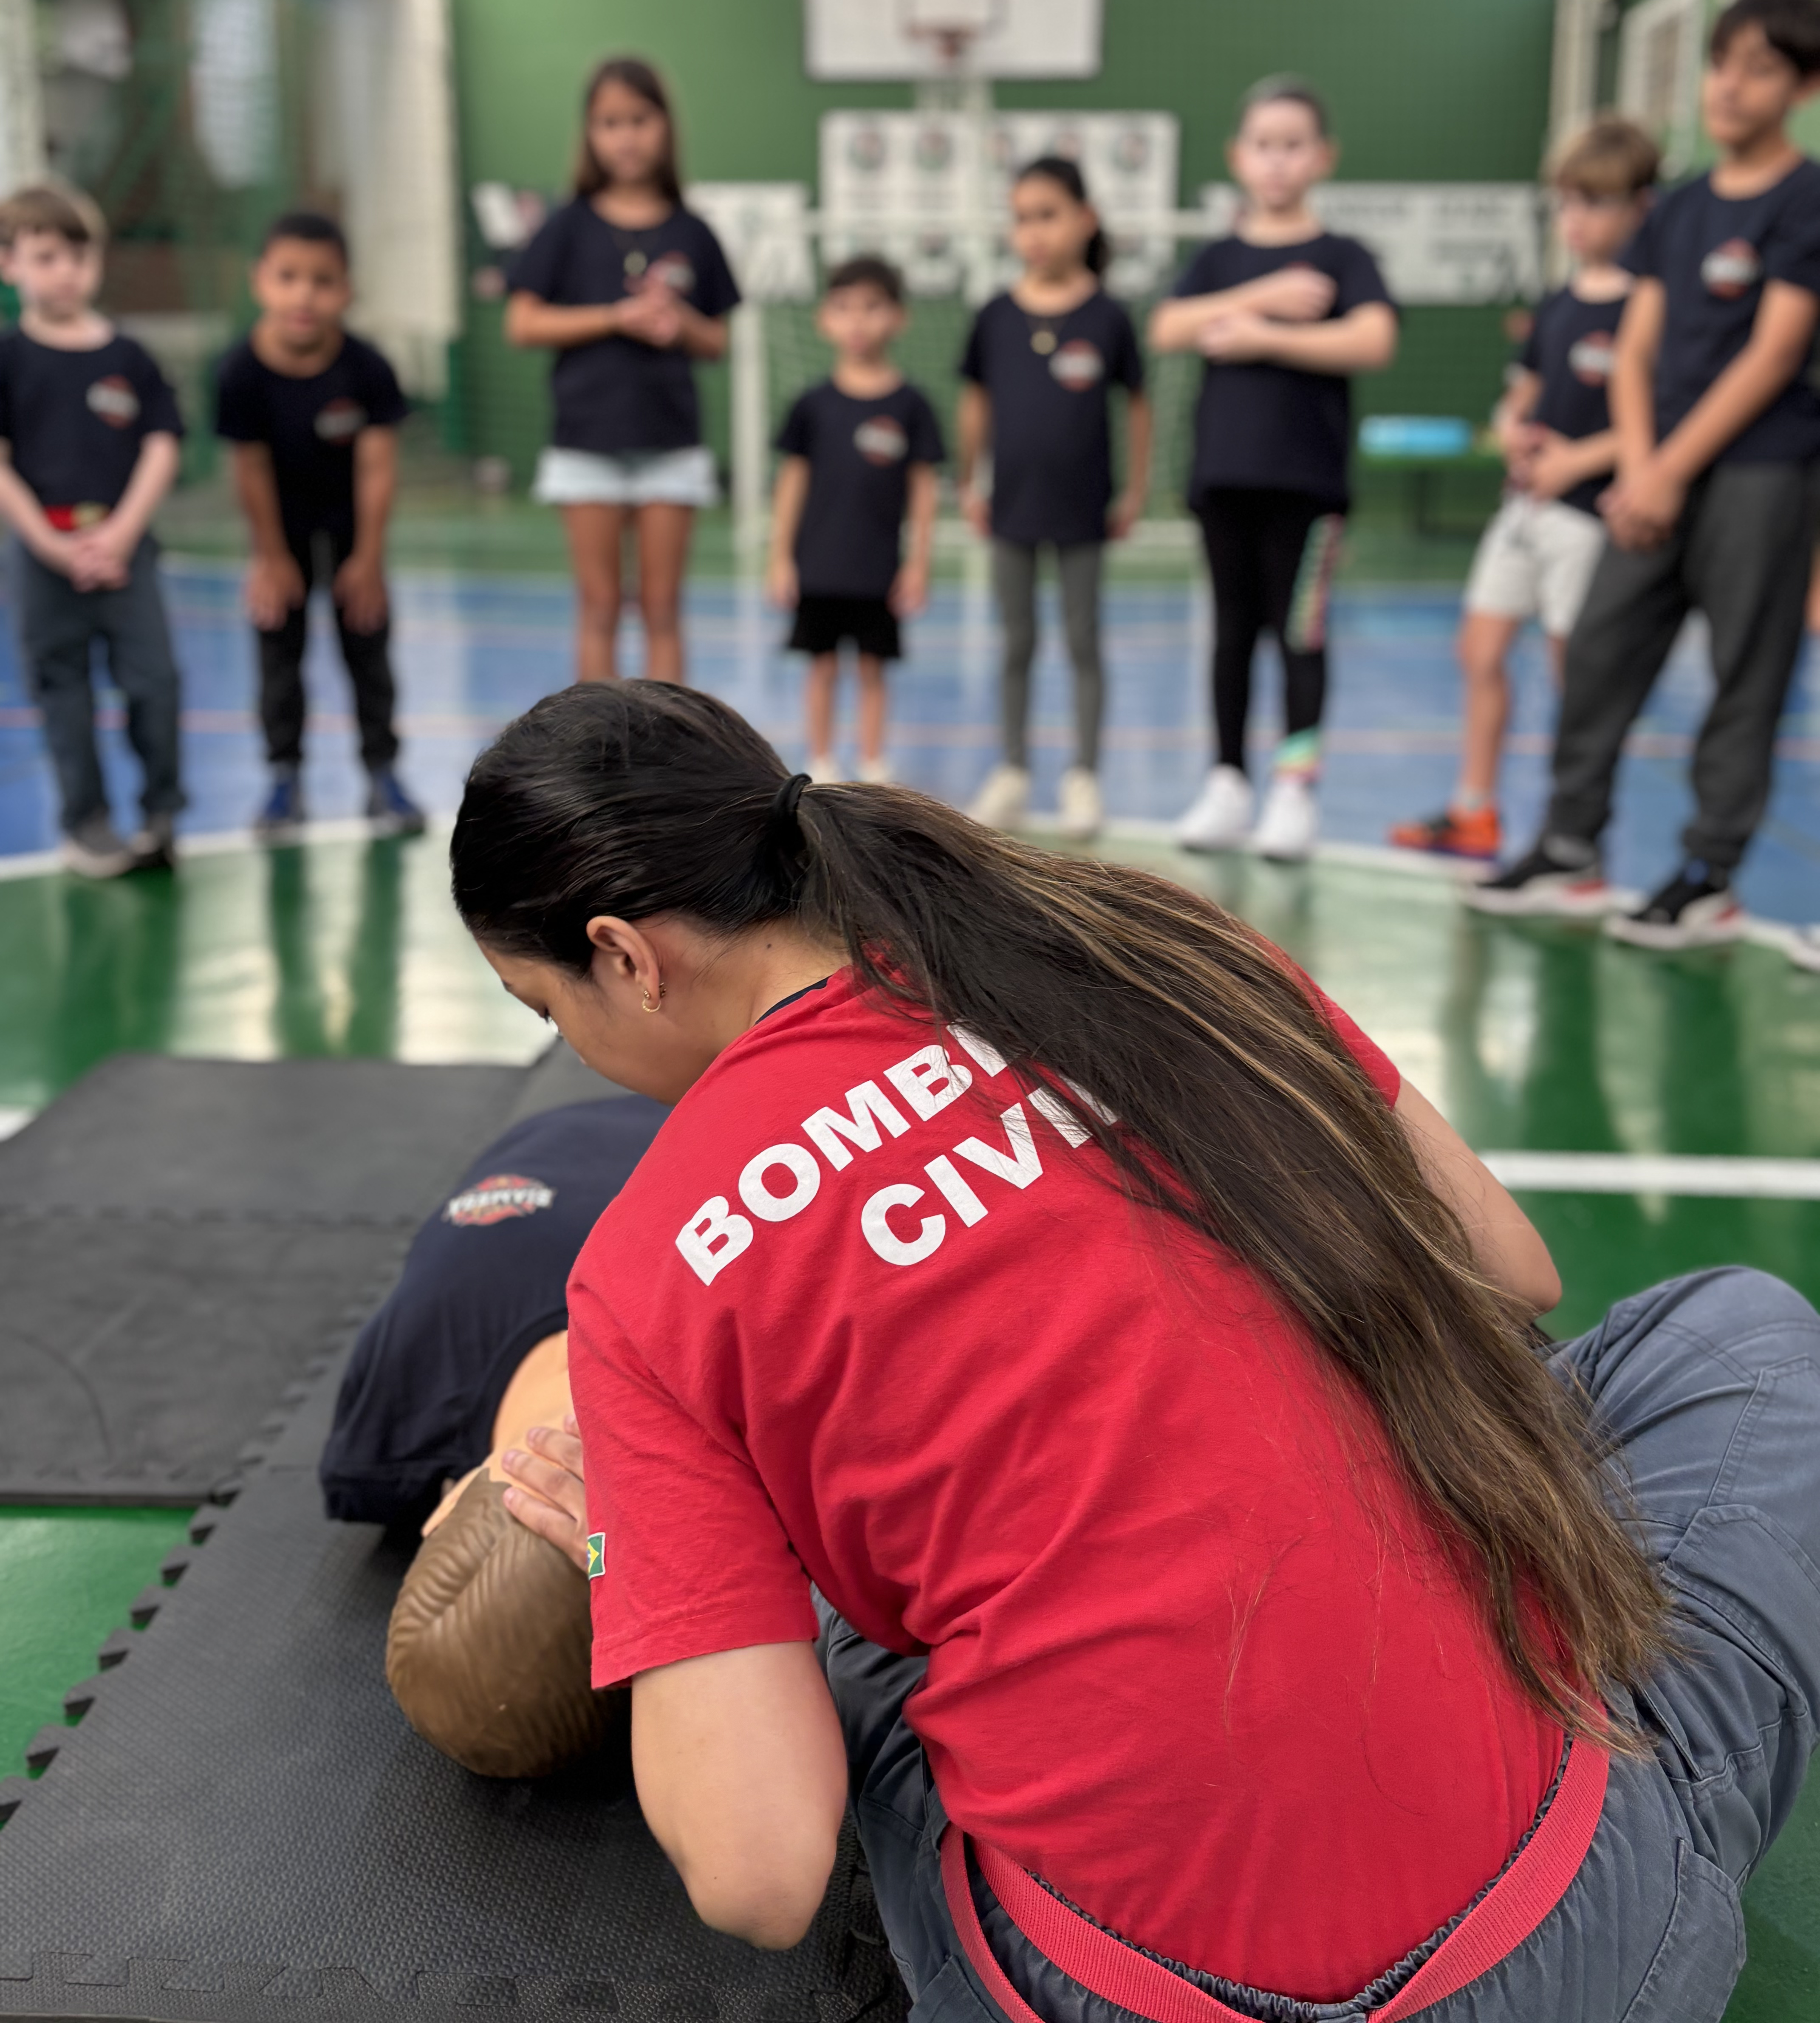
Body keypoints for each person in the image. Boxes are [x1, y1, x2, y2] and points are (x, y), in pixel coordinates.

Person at [456, 679, 1820, 2020]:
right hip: (1605, 1952)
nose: (569, 1043)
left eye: (546, 1005)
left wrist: (645, 1556)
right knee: (1739, 1331)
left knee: (834, 1627)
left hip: (1126, 1993)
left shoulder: (651, 1261)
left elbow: (759, 1871)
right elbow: (1509, 1272)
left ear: (627, 954)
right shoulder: (1141, 944)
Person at [1471, 0, 1820, 944]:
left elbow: (1773, 354)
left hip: (1761, 472)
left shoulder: (1805, 199)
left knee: (1744, 675)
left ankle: (1708, 871)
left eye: (1761, 69)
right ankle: (1571, 848)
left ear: (1803, 85)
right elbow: (1635, 350)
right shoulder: (1681, 211)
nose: (1731, 87)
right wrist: (1643, 473)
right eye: (1722, 63)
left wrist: (1670, 468)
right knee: (1598, 650)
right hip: (1657, 472)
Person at [321, 1090, 667, 1776]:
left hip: (695, 1090)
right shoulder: (381, 1433)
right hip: (631, 1096)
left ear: (439, 1501)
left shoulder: (375, 1444)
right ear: (446, 1506)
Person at [1390, 117, 1659, 860]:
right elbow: (1521, 393)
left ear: (1639, 206)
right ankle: (1473, 809)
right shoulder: (1557, 303)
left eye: (1595, 203)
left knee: (1575, 674)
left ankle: (1573, 829)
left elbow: (1657, 418)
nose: (1576, 220)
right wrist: (1510, 427)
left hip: (1587, 516)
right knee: (1477, 650)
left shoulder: (1647, 304)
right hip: (1524, 510)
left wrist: (1578, 462)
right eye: (1567, 203)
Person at [1151, 77, 1397, 863]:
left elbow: (1372, 340)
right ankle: (1226, 779)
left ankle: (1294, 789)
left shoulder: (1342, 256)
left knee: (1301, 636)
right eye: (1263, 144)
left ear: (1321, 157)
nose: (1277, 160)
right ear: (1237, 156)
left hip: (1309, 489)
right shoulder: (1220, 258)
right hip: (1223, 479)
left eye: (1293, 144)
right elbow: (1165, 326)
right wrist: (1262, 299)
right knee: (1229, 632)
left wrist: (1264, 338)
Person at [505, 58, 740, 684]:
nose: (627, 137)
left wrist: (677, 323)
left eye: (639, 120)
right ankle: (597, 764)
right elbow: (523, 323)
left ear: (665, 127)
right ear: (590, 133)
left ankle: (669, 762)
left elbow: (717, 339)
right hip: (586, 442)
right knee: (601, 605)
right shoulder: (567, 226)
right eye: (610, 123)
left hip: (671, 444)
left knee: (663, 609)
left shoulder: (694, 232)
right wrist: (616, 317)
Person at [956, 157, 1150, 843]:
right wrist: (967, 479)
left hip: (1082, 508)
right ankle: (1011, 768)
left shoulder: (1107, 317)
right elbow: (974, 401)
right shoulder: (995, 316)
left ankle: (1083, 775)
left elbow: (1136, 403)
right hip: (1009, 503)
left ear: (1083, 219)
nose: (1033, 232)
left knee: (1081, 638)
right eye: (1021, 218)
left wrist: (1133, 487)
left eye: (1047, 214)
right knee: (1016, 640)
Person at [214, 211, 425, 841]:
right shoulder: (240, 374)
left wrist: (367, 559)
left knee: (369, 649)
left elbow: (378, 470)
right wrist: (271, 558)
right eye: (288, 277)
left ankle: (382, 776)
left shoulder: (367, 369)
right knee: (279, 651)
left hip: (351, 529)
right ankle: (284, 780)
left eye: (322, 280)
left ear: (347, 290)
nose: (304, 294)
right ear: (260, 283)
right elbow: (249, 473)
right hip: (282, 531)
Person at [0, 182, 184, 878]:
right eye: (46, 256)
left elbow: (161, 444)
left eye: (79, 254)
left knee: (154, 683)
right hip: (45, 563)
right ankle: (87, 825)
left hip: (126, 557)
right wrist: (50, 544)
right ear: (9, 263)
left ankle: (162, 811)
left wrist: (120, 534)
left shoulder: (130, 358)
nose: (66, 270)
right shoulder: (11, 359)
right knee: (63, 694)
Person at [766, 256, 943, 785]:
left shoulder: (912, 405)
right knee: (821, 666)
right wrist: (779, 558)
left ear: (899, 318)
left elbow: (924, 489)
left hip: (878, 567)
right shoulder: (812, 404)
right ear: (824, 319)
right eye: (844, 308)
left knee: (872, 669)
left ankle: (872, 764)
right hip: (819, 564)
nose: (858, 321)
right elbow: (793, 481)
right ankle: (820, 761)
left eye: (872, 307)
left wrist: (918, 562)